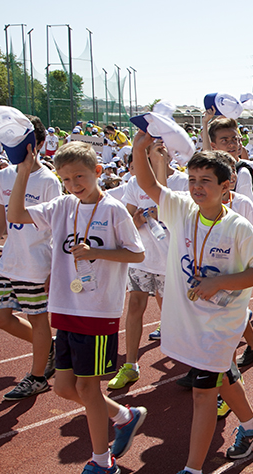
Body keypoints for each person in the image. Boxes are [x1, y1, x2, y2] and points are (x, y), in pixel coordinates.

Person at [132, 132, 253, 474]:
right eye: (192, 180)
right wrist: (140, 145)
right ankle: (252, 425)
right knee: (223, 373)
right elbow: (147, 182)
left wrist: (220, 282)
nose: (196, 187)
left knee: (202, 392)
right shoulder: (180, 209)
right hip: (191, 320)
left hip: (221, 323)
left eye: (205, 181)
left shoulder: (238, 227)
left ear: (226, 187)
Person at [8, 140, 146, 474]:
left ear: (98, 172)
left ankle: (102, 463)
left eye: (80, 176)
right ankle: (123, 416)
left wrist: (96, 250)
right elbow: (16, 215)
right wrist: (24, 173)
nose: (73, 184)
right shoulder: (61, 206)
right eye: (66, 178)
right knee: (64, 387)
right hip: (65, 308)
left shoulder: (113, 209)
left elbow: (137, 253)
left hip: (97, 311)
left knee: (87, 387)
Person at [0, 115, 62, 400]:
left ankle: (38, 377)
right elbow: (1, 218)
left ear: (38, 143)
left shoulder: (49, 181)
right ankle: (49, 348)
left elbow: (58, 228)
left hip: (36, 264)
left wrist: (54, 269)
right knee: (1, 317)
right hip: (8, 261)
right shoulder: (4, 175)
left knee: (38, 320)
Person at [108, 147, 171, 390]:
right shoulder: (134, 184)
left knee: (171, 314)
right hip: (142, 258)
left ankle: (185, 362)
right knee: (135, 306)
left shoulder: (178, 181)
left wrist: (163, 211)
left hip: (169, 260)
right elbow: (127, 221)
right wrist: (140, 218)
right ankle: (131, 364)